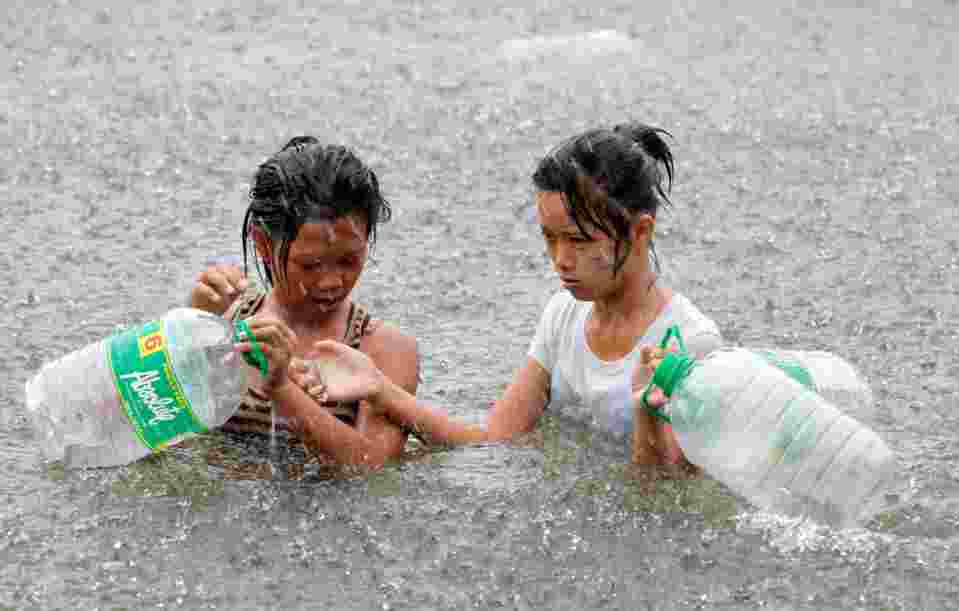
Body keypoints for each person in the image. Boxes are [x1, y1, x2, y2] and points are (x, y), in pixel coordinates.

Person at [290, 123, 723, 466]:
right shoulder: (563, 316)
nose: (560, 259)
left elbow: (670, 498)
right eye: (550, 238)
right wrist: (378, 388)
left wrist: (648, 417)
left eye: (577, 240)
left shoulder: (689, 342)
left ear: (640, 231)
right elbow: (492, 439)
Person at [189, 136, 419, 467]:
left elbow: (374, 468)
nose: (331, 281)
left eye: (349, 260)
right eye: (310, 264)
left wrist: (281, 388)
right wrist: (188, 329)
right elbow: (145, 424)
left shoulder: (384, 349)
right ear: (263, 244)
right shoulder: (224, 316)